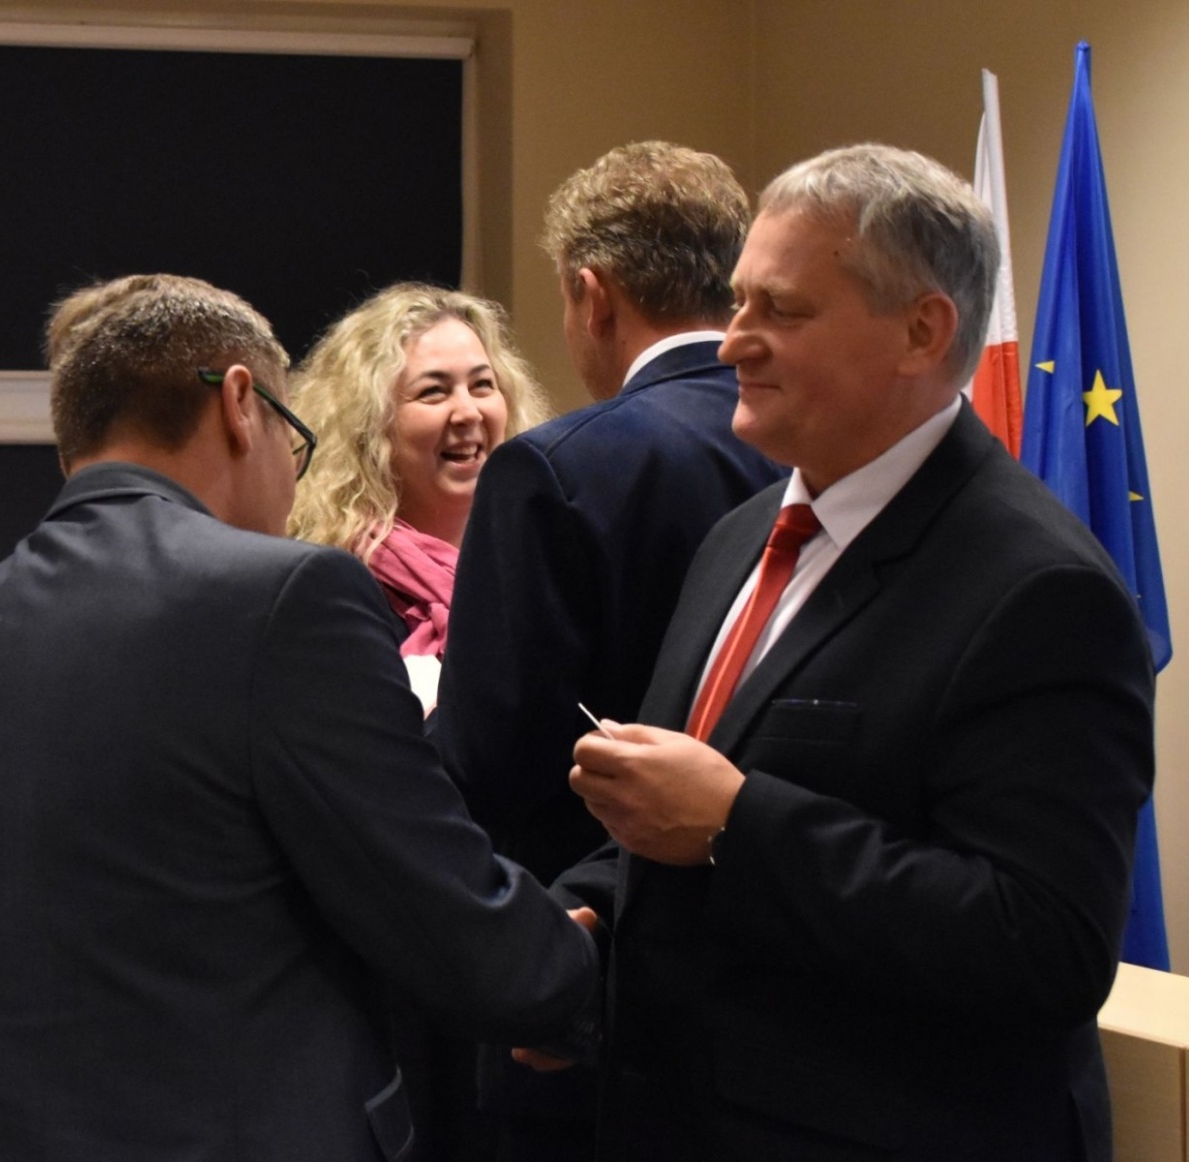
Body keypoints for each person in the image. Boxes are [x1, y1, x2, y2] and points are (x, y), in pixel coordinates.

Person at [0, 274, 597, 1162]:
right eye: (294, 438)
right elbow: (423, 892)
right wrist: (573, 978)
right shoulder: (286, 600)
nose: (293, 477)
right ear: (241, 406)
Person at [553, 145, 1156, 1161]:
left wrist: (737, 824)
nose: (733, 342)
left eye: (780, 311)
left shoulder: (1040, 589)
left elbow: (1044, 943)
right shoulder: (743, 537)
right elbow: (681, 811)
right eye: (738, 301)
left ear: (923, 331)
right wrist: (591, 920)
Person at [428, 142, 786, 1159]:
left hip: (589, 985)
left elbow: (494, 759)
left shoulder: (554, 470)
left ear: (591, 295)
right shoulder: (816, 447)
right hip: (785, 977)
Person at [288, 284, 549, 676]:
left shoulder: (543, 561)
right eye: (433, 392)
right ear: (369, 425)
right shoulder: (331, 589)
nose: (468, 412)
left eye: (482, 385)